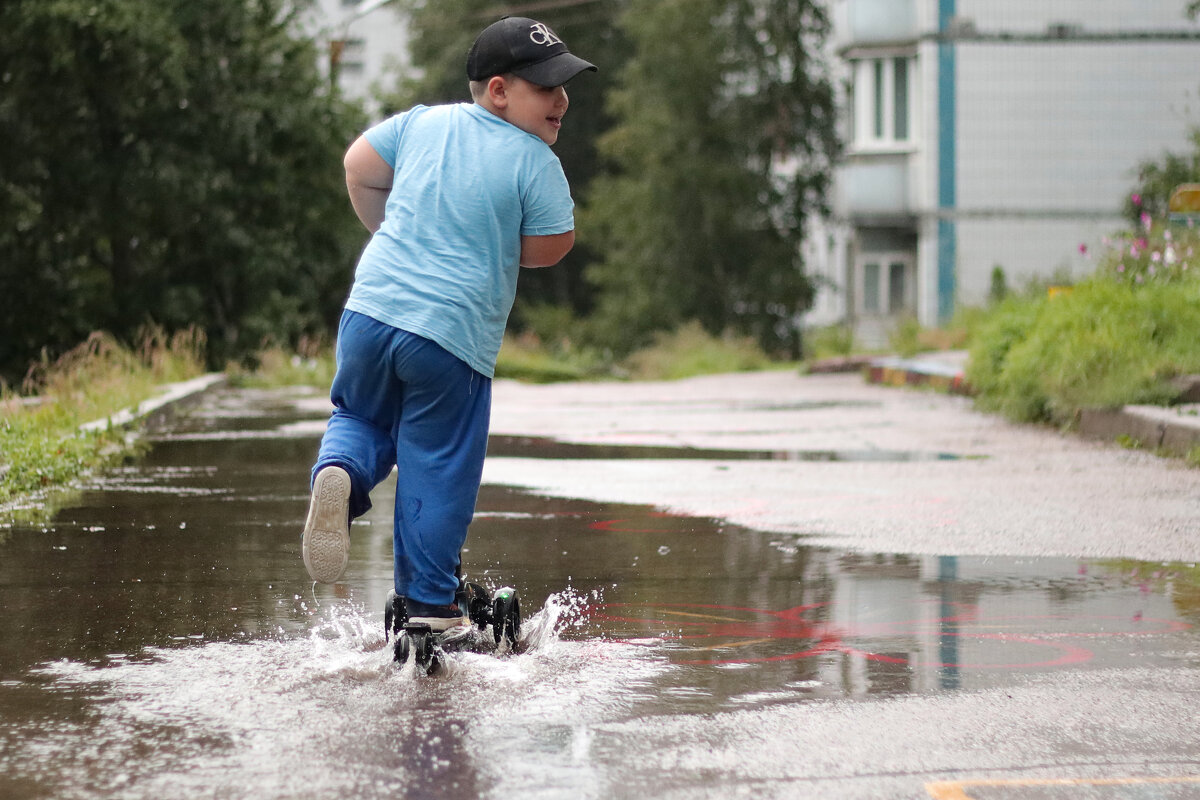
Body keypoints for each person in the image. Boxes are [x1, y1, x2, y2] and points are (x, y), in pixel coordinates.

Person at [299, 17, 595, 632]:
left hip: (370, 311)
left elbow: (357, 167)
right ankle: (431, 605)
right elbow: (554, 243)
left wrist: (394, 232)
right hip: (450, 338)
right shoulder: (533, 160)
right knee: (436, 461)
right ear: (497, 90)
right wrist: (490, 242)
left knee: (359, 417)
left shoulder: (421, 123)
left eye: (565, 86)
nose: (562, 100)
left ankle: (339, 476)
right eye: (546, 87)